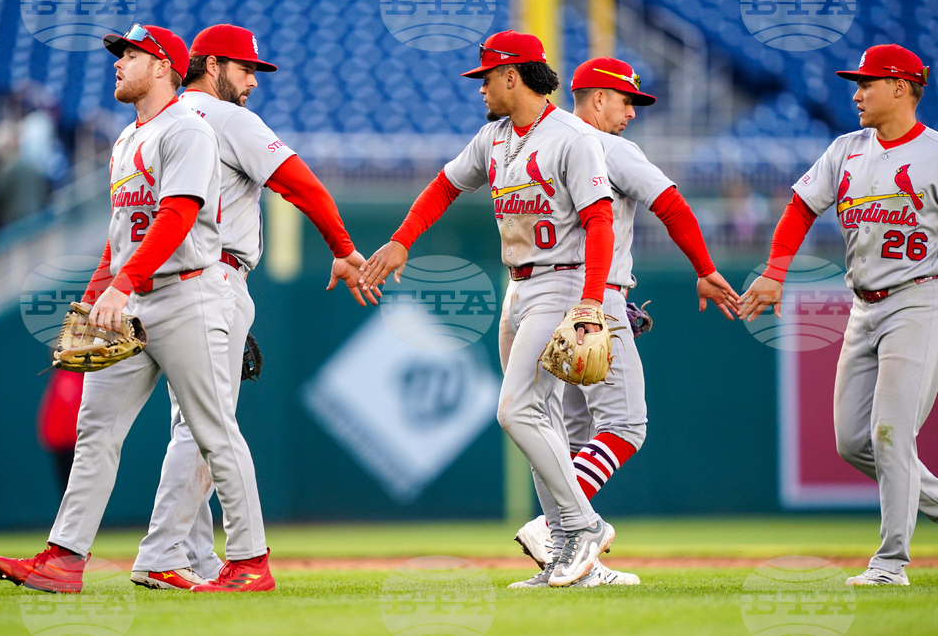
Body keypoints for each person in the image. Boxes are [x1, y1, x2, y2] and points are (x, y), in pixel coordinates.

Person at [0, 24, 274, 593]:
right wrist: (98, 291)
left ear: (165, 65)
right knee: (95, 429)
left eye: (131, 54)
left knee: (213, 432)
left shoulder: (188, 129)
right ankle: (64, 558)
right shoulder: (127, 138)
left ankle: (250, 562)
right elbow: (119, 234)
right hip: (134, 297)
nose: (118, 62)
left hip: (187, 292)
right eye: (119, 54)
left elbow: (178, 214)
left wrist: (122, 284)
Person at [360, 30, 618, 588]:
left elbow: (601, 221)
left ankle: (584, 526)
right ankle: (571, 553)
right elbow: (444, 186)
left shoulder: (572, 137)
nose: (480, 88)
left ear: (511, 76)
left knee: (515, 410)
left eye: (485, 78)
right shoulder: (493, 138)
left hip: (561, 282)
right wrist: (402, 239)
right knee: (540, 419)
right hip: (517, 286)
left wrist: (592, 300)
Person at [128, 23, 378, 590]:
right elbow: (302, 185)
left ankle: (191, 556)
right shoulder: (226, 118)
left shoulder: (157, 122)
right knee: (206, 428)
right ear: (212, 65)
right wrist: (343, 249)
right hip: (212, 276)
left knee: (190, 426)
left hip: (159, 279)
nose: (253, 82)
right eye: (245, 69)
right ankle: (166, 552)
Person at [512, 57, 741, 586]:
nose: (631, 113)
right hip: (595, 299)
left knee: (567, 435)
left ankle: (573, 565)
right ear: (597, 98)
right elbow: (672, 205)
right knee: (625, 424)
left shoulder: (541, 146)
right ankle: (556, 525)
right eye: (626, 100)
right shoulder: (608, 148)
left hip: (540, 295)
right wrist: (704, 269)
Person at [740, 44, 938, 586]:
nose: (856, 94)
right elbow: (800, 207)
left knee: (891, 433)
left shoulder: (933, 154)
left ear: (900, 87)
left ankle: (891, 564)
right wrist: (775, 271)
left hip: (919, 301)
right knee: (854, 442)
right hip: (863, 306)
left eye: (867, 84)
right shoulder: (846, 149)